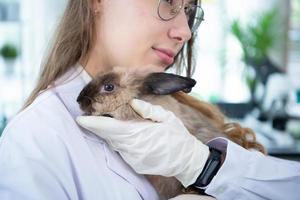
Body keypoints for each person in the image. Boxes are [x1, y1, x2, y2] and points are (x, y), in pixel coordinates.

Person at [0, 0, 299, 199]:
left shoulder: (176, 108)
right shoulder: (34, 142)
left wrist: (205, 167)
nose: (184, 31)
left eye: (189, 11)